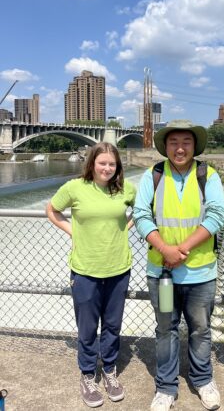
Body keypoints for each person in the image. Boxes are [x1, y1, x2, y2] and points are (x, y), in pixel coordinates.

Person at [133, 120, 224, 411]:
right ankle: (166, 386)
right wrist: (164, 249)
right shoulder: (154, 175)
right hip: (162, 274)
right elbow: (140, 215)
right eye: (173, 142)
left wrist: (181, 249)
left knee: (200, 329)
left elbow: (217, 215)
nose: (180, 148)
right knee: (166, 329)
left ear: (194, 145)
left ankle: (202, 380)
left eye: (186, 141)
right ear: (166, 146)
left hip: (201, 273)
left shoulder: (207, 175)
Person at [46, 142, 136, 408]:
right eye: (102, 163)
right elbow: (51, 210)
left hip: (119, 268)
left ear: (117, 166)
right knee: (87, 328)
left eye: (112, 164)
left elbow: (144, 209)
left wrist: (126, 228)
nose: (107, 168)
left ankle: (109, 370)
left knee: (112, 325)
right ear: (92, 163)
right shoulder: (75, 188)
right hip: (85, 269)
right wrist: (72, 231)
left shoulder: (124, 189)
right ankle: (88, 374)